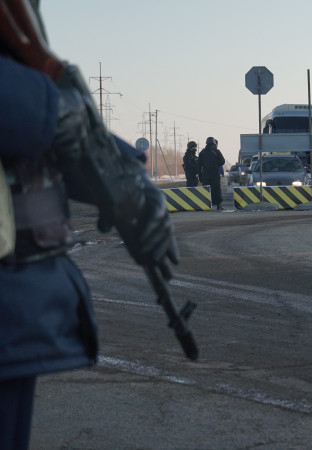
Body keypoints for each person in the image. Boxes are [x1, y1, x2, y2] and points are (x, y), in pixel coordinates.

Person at [0, 7, 178, 447]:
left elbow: (48, 112)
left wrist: (120, 174)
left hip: (14, 306)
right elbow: (44, 106)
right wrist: (42, 107)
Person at [198, 137, 226, 210]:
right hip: (215, 174)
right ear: (214, 143)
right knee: (216, 189)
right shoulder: (217, 152)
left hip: (205, 174)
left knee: (206, 189)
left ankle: (206, 205)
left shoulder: (202, 152)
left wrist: (200, 176)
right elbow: (222, 161)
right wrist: (216, 165)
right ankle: (218, 205)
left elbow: (199, 165)